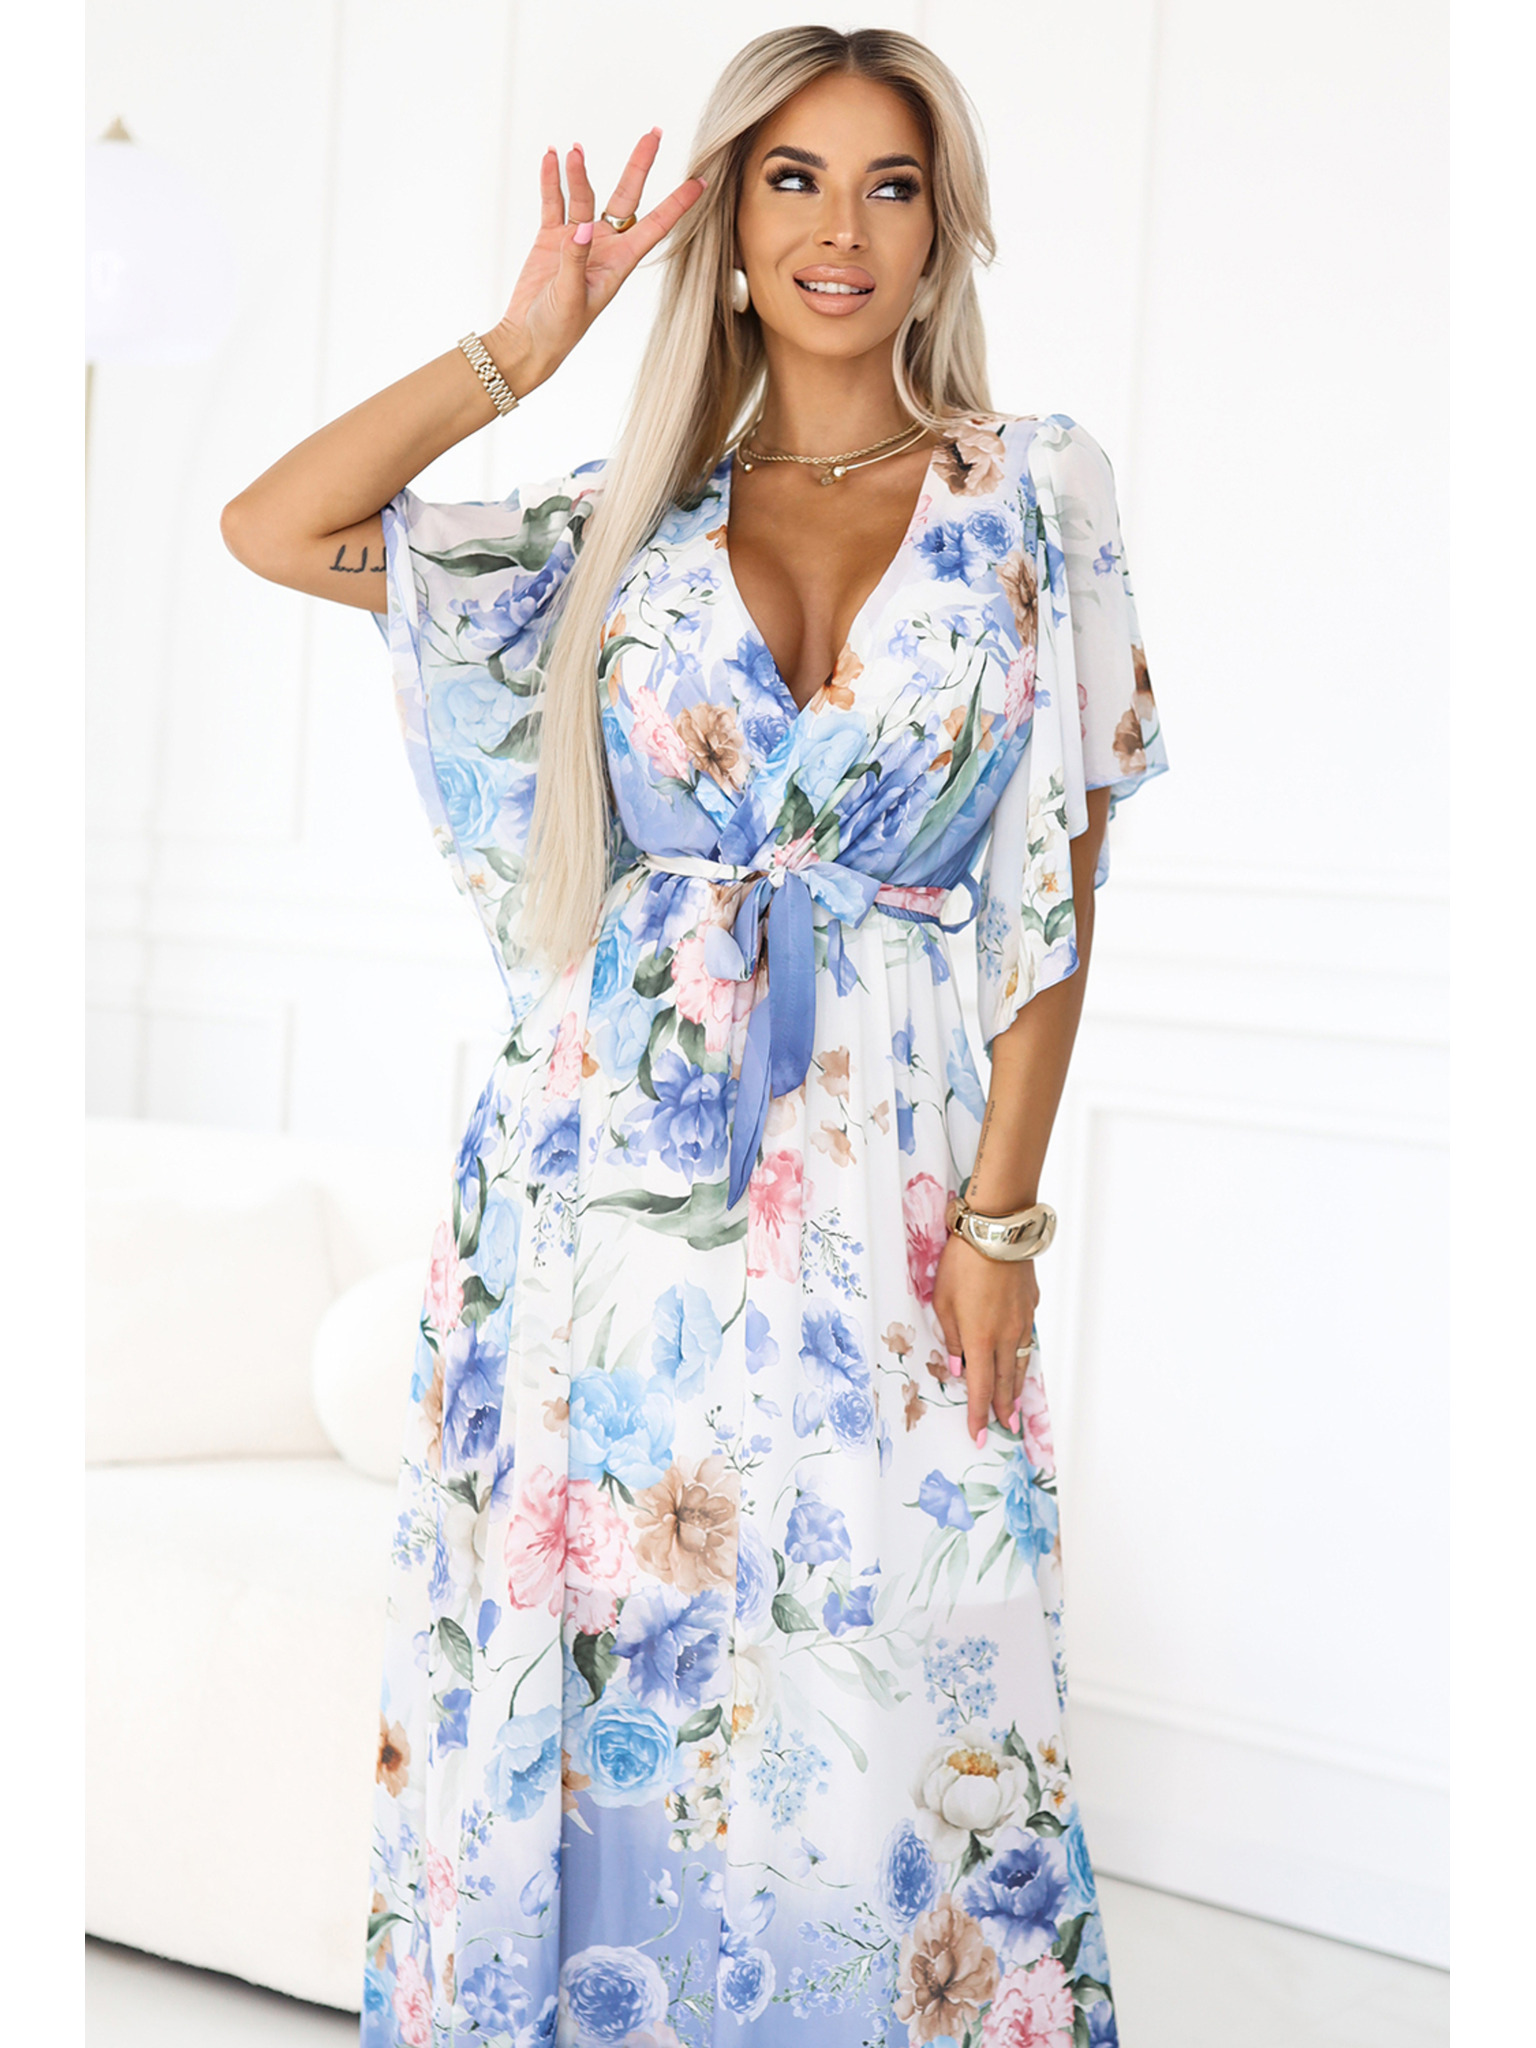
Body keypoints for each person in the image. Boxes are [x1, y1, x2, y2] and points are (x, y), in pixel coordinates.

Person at [223, 23, 1166, 2048]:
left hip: (897, 1173)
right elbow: (277, 527)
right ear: (729, 223)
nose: (843, 228)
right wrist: (521, 346)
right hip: (597, 1194)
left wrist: (1004, 1220)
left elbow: (1066, 870)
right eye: (794, 179)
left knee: (903, 1660)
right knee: (602, 1655)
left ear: (943, 228)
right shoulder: (619, 528)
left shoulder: (1036, 492)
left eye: (891, 184)